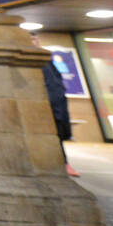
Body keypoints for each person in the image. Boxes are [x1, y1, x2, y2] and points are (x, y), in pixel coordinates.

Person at [32, 34, 79, 178]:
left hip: (53, 104)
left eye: (36, 40)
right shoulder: (36, 60)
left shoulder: (45, 60)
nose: (36, 42)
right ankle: (61, 163)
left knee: (55, 136)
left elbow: (56, 85)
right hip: (43, 105)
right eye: (33, 40)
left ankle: (63, 163)